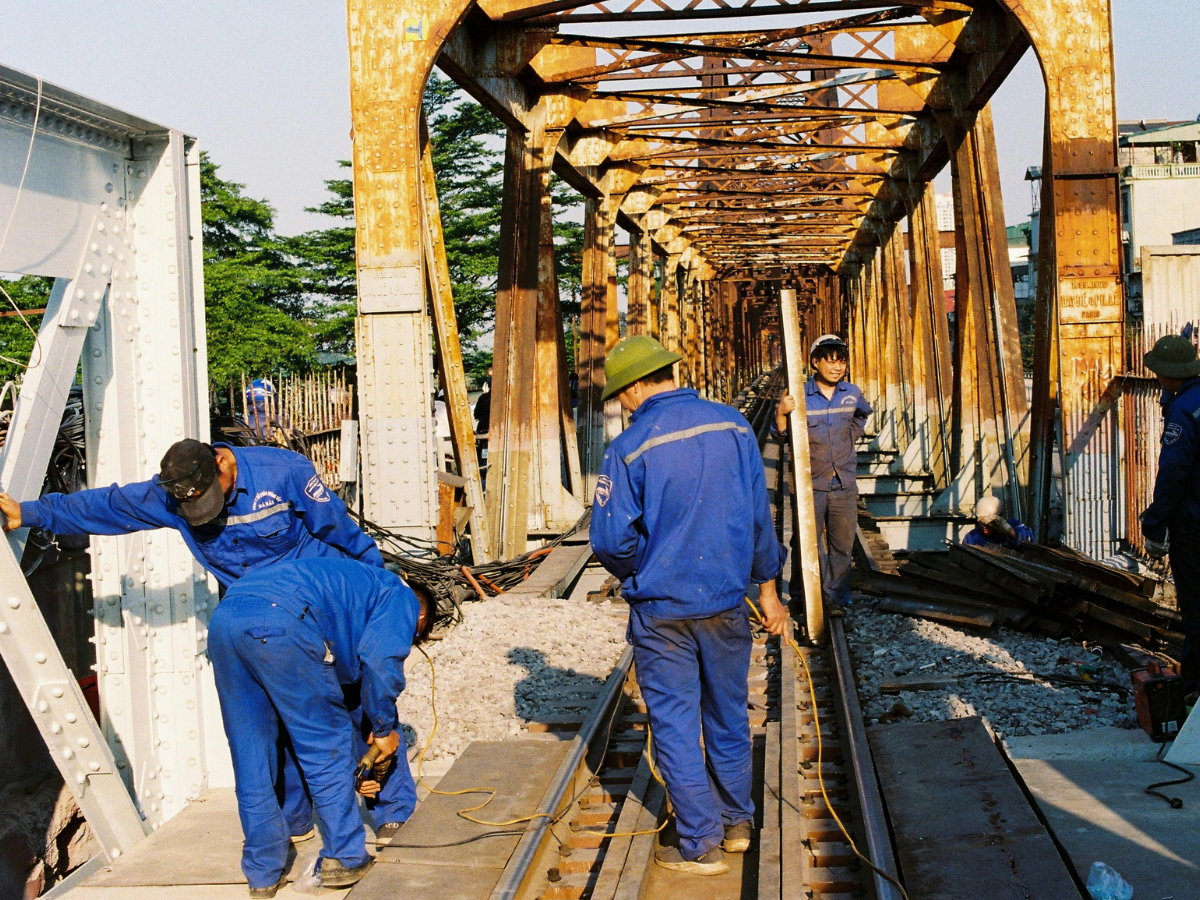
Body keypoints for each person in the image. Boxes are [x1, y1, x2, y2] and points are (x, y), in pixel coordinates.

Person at [0, 438, 388, 843]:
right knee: (279, 718)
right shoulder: (172, 494)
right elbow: (110, 506)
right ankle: (297, 821)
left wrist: (377, 592)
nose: (204, 513)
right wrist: (30, 513)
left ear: (223, 464)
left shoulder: (283, 471)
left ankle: (389, 811)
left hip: (318, 601)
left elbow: (340, 529)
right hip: (264, 619)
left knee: (359, 703)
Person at [590, 335, 789, 877]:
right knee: (728, 711)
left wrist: (644, 566)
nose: (621, 404)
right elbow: (758, 520)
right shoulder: (733, 426)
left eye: (619, 394)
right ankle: (737, 823)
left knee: (675, 720)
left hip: (662, 611)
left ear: (634, 388)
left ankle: (697, 842)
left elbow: (609, 542)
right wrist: (767, 591)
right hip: (726, 603)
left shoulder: (628, 447)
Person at [208, 559, 431, 898]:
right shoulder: (401, 597)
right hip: (281, 621)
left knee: (251, 754)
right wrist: (383, 730)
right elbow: (380, 662)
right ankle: (344, 856)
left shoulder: (351, 583)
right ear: (421, 618)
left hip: (225, 621)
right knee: (324, 745)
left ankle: (263, 874)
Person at [774, 334, 872, 609]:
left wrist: (851, 437)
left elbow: (862, 415)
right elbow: (781, 437)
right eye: (830, 361)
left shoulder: (851, 393)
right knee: (806, 542)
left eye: (841, 361)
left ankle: (835, 598)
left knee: (843, 544)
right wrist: (781, 413)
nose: (837, 367)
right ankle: (802, 596)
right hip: (810, 484)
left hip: (843, 481)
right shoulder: (799, 395)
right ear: (815, 362)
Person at [1139, 334, 1200, 701]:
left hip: (1194, 524)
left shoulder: (1184, 410)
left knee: (1195, 608)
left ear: (1167, 375)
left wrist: (1155, 521)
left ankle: (1194, 692)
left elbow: (1174, 470)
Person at [962, 495, 1035, 549]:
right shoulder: (972, 537)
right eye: (981, 522)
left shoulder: (1014, 525)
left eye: (989, 523)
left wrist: (1009, 530)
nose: (985, 526)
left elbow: (1029, 540)